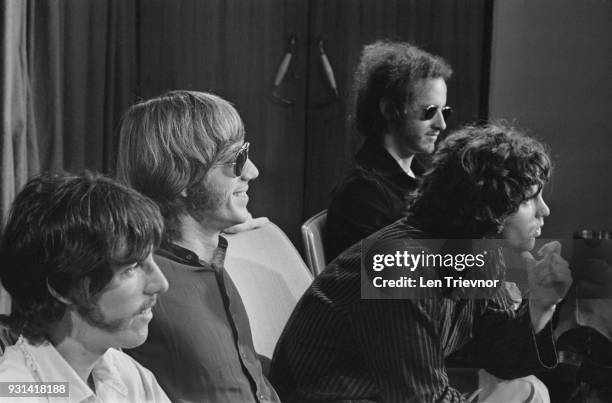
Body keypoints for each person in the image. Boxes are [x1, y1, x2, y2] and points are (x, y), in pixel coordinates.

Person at [270, 123, 573, 402]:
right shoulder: (401, 266)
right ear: (486, 206)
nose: (544, 210)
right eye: (529, 199)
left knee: (529, 390)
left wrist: (541, 305)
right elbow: (422, 399)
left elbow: (498, 355)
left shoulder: (480, 251)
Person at [117, 90, 279, 402]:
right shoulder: (139, 283)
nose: (252, 171)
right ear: (182, 178)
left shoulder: (210, 256)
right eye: (236, 160)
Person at [0, 172, 170, 403]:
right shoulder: (14, 391)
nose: (161, 284)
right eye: (131, 267)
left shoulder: (130, 377)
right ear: (63, 287)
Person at [326, 40, 453, 260]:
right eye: (430, 111)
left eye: (445, 111)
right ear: (389, 110)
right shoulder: (362, 193)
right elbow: (389, 284)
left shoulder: (423, 178)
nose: (441, 124)